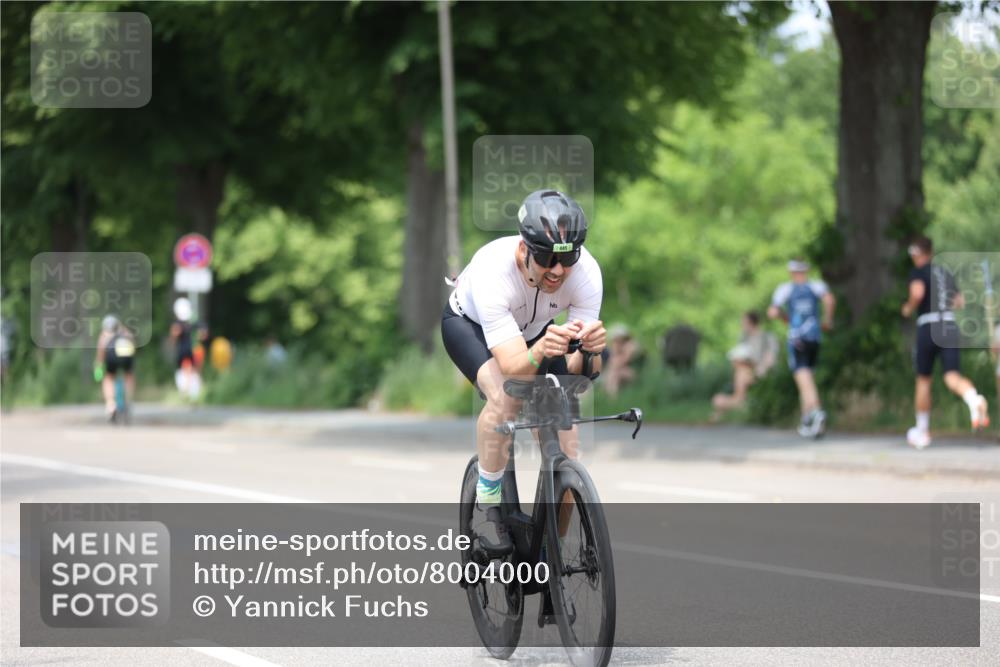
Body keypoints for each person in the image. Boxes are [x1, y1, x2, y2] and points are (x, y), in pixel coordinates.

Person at [441, 189, 605, 553]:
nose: (559, 270)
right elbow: (514, 368)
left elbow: (577, 374)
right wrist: (542, 351)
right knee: (506, 399)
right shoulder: (492, 271)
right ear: (524, 250)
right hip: (472, 329)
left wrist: (593, 352)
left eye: (569, 258)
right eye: (547, 258)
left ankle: (552, 556)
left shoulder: (587, 275)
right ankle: (488, 506)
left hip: (536, 334)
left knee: (566, 443)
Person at [901, 236, 989, 448]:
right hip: (949, 325)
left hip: (928, 325)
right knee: (952, 377)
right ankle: (974, 399)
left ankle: (922, 431)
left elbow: (917, 293)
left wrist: (908, 308)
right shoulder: (945, 272)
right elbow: (959, 301)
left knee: (923, 379)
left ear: (916, 253)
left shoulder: (918, 272)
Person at [768, 259, 835, 438]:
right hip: (814, 337)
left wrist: (785, 317)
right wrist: (827, 321)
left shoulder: (786, 289)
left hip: (797, 338)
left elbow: (773, 312)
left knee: (803, 379)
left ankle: (816, 412)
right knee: (808, 377)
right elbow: (829, 300)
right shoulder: (816, 286)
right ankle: (807, 421)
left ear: (792, 273)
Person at [711, 311, 778, 420]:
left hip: (761, 373)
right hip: (746, 372)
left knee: (741, 372)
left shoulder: (767, 338)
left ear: (751, 323)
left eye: (744, 322)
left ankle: (738, 402)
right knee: (718, 398)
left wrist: (759, 370)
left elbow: (770, 359)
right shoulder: (744, 338)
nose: (742, 325)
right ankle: (737, 402)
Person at [94, 315, 136, 420]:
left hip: (112, 356)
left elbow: (101, 349)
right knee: (128, 375)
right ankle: (128, 400)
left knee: (109, 378)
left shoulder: (105, 333)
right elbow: (133, 345)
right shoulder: (125, 332)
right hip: (126, 356)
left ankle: (111, 404)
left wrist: (99, 364)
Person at [170, 297, 206, 400]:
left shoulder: (180, 322)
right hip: (194, 350)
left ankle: (188, 392)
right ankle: (191, 393)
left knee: (187, 370)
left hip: (189, 350)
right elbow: (203, 333)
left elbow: (173, 336)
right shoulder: (194, 319)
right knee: (192, 371)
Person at [603, 324, 639, 397]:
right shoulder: (615, 349)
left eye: (621, 340)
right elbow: (612, 364)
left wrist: (623, 352)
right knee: (613, 374)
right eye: (616, 340)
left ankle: (612, 399)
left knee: (613, 374)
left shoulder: (631, 347)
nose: (618, 342)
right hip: (620, 372)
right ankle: (611, 399)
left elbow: (618, 363)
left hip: (636, 373)